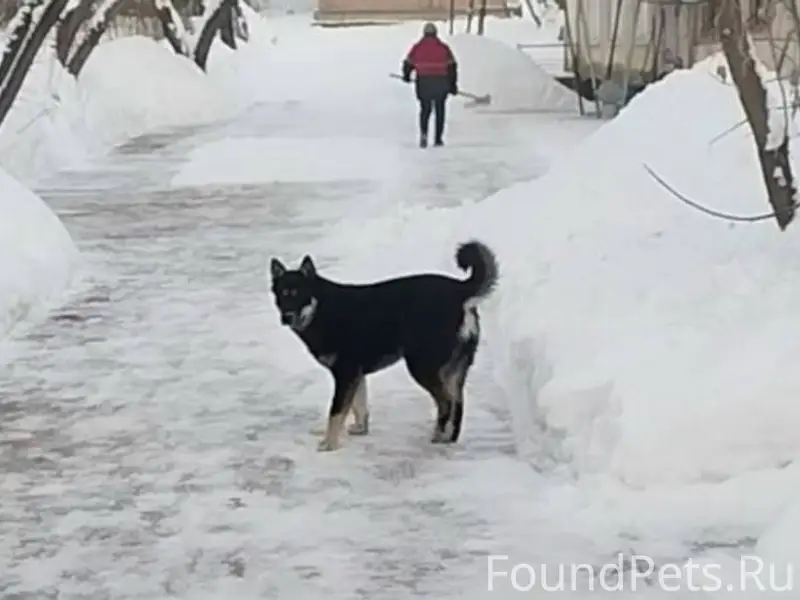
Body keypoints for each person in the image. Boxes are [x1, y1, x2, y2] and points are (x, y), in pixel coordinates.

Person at [401, 22, 458, 148]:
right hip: (441, 82)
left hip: (424, 82)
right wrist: (452, 85)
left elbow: (408, 63)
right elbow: (452, 66)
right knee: (440, 110)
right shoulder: (444, 48)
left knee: (425, 109)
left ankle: (424, 134)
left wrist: (406, 76)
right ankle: (438, 138)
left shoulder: (417, 47)